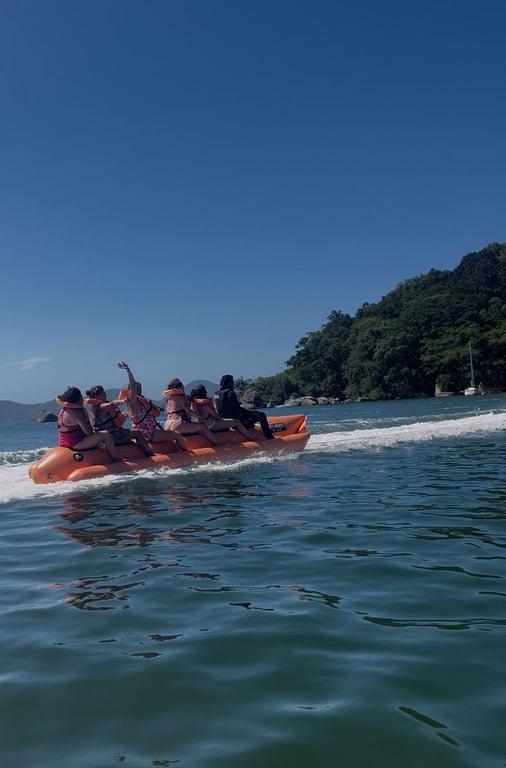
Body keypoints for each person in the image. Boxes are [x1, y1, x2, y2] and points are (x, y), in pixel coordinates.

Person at [117, 362, 187, 451]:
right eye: (136, 389)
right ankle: (186, 455)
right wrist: (128, 370)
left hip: (148, 431)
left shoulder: (140, 402)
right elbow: (133, 385)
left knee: (169, 435)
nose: (138, 390)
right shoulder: (133, 401)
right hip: (148, 434)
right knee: (178, 435)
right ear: (130, 390)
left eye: (139, 388)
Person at [55, 386, 123, 462]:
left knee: (98, 435)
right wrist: (96, 434)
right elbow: (87, 432)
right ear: (77, 399)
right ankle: (116, 459)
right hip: (75, 443)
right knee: (106, 434)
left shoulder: (63, 410)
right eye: (80, 397)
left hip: (63, 442)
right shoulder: (76, 412)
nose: (82, 399)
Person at [85, 385, 154, 456]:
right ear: (96, 396)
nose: (105, 395)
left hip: (103, 438)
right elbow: (112, 404)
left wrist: (127, 414)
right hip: (112, 437)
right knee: (137, 433)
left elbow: (112, 417)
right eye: (103, 393)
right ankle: (150, 454)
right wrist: (124, 400)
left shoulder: (94, 409)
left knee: (129, 435)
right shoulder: (102, 407)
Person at [162, 378, 220, 446]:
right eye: (182, 386)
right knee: (202, 426)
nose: (183, 388)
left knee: (194, 426)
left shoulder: (168, 399)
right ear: (179, 387)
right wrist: (200, 418)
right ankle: (217, 444)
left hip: (167, 424)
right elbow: (189, 411)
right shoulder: (181, 397)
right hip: (177, 424)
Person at [214, 375, 274, 439]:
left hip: (223, 422)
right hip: (235, 422)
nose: (233, 384)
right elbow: (237, 410)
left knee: (250, 416)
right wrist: (252, 413)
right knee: (261, 415)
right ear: (229, 383)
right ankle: (269, 437)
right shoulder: (230, 393)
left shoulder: (216, 394)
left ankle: (249, 426)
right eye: (232, 382)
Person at [190, 384, 258, 441]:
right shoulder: (205, 406)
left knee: (228, 422)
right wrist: (225, 420)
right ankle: (252, 438)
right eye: (205, 391)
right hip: (212, 425)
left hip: (204, 425)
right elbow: (216, 416)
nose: (207, 392)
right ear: (203, 393)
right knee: (237, 422)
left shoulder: (193, 405)